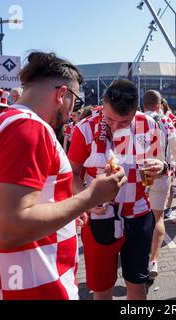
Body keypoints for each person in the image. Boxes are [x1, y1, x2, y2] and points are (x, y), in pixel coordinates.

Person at [0, 52, 126, 300]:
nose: (71, 113)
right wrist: (90, 197)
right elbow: (10, 229)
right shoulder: (28, 128)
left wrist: (65, 216)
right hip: (38, 289)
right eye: (75, 102)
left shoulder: (5, 123)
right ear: (61, 94)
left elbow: (17, 206)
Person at [68, 80, 167, 300]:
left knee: (137, 286)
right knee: (102, 289)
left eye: (124, 121)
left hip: (138, 214)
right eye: (110, 119)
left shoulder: (148, 124)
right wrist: (87, 198)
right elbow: (72, 172)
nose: (115, 127)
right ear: (102, 105)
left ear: (136, 110)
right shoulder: (85, 128)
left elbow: (156, 164)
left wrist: (160, 168)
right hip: (100, 217)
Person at [143, 90, 176, 281]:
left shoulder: (135, 119)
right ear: (158, 104)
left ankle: (138, 254)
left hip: (140, 174)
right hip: (162, 174)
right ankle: (153, 260)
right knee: (157, 217)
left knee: (137, 215)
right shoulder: (166, 120)